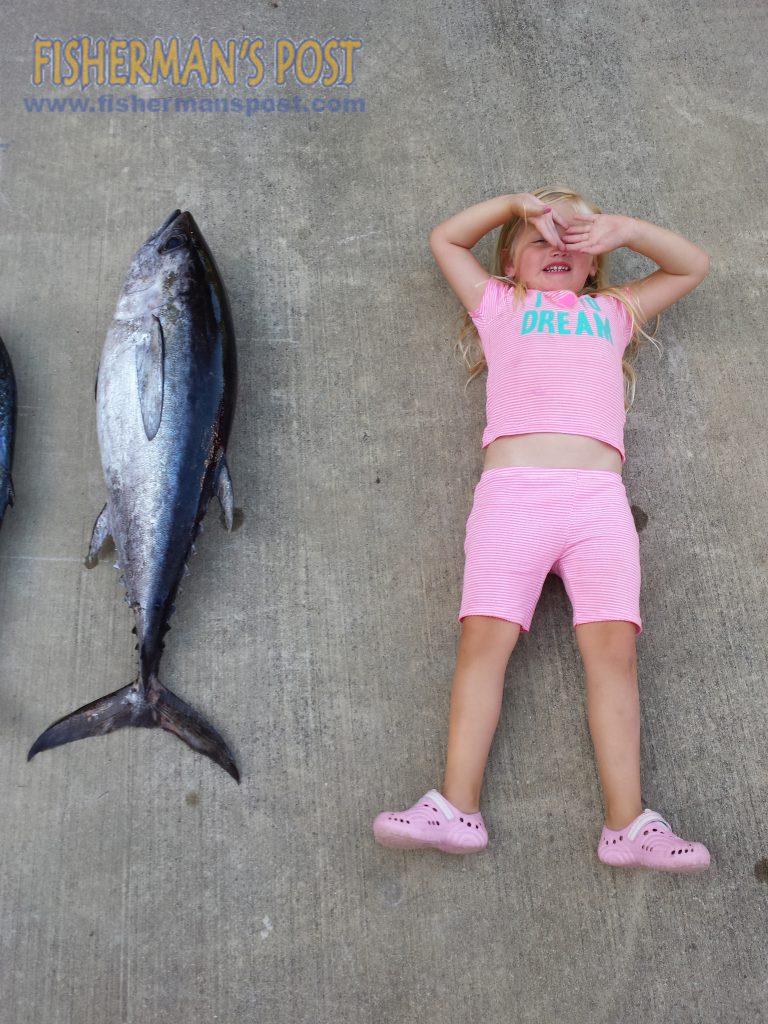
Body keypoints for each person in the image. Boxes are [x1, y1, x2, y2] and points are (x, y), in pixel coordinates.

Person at [373, 187, 712, 871]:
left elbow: (691, 266)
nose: (557, 249)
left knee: (613, 658)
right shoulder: (502, 306)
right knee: (482, 645)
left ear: (593, 265)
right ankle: (456, 806)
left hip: (597, 502)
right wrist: (510, 205)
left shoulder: (613, 312)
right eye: (539, 240)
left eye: (573, 243)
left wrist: (624, 227)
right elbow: (444, 239)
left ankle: (628, 824)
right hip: (513, 498)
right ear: (509, 265)